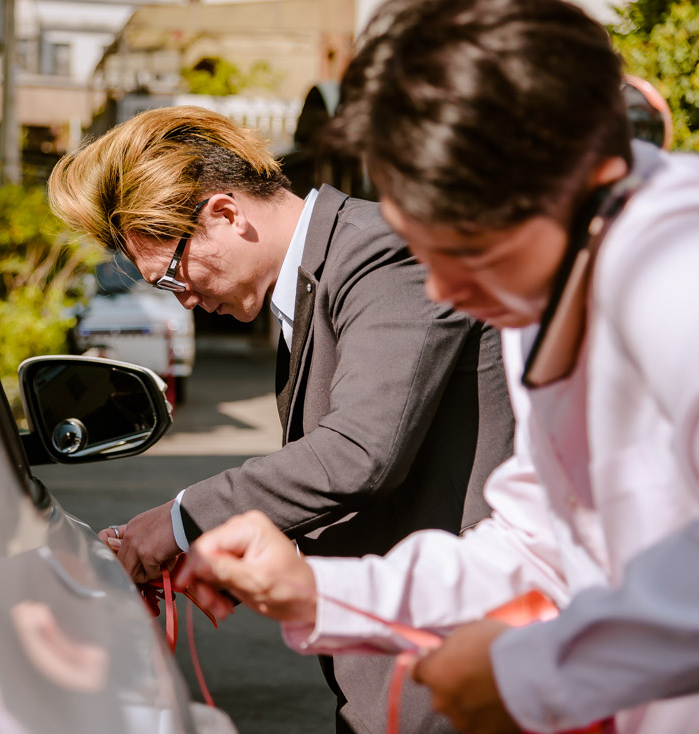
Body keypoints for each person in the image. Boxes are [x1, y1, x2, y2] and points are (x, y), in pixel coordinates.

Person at [176, 1, 699, 733]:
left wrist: (532, 673)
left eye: (462, 245)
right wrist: (322, 592)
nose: (440, 289)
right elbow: (537, 540)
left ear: (566, 174)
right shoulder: (544, 281)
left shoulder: (692, 270)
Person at [48, 106, 516, 733]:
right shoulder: (318, 278)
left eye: (172, 274)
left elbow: (358, 453)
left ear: (225, 213)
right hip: (402, 658)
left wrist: (184, 519)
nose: (183, 298)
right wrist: (220, 551)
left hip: (461, 657)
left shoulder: (387, 254)